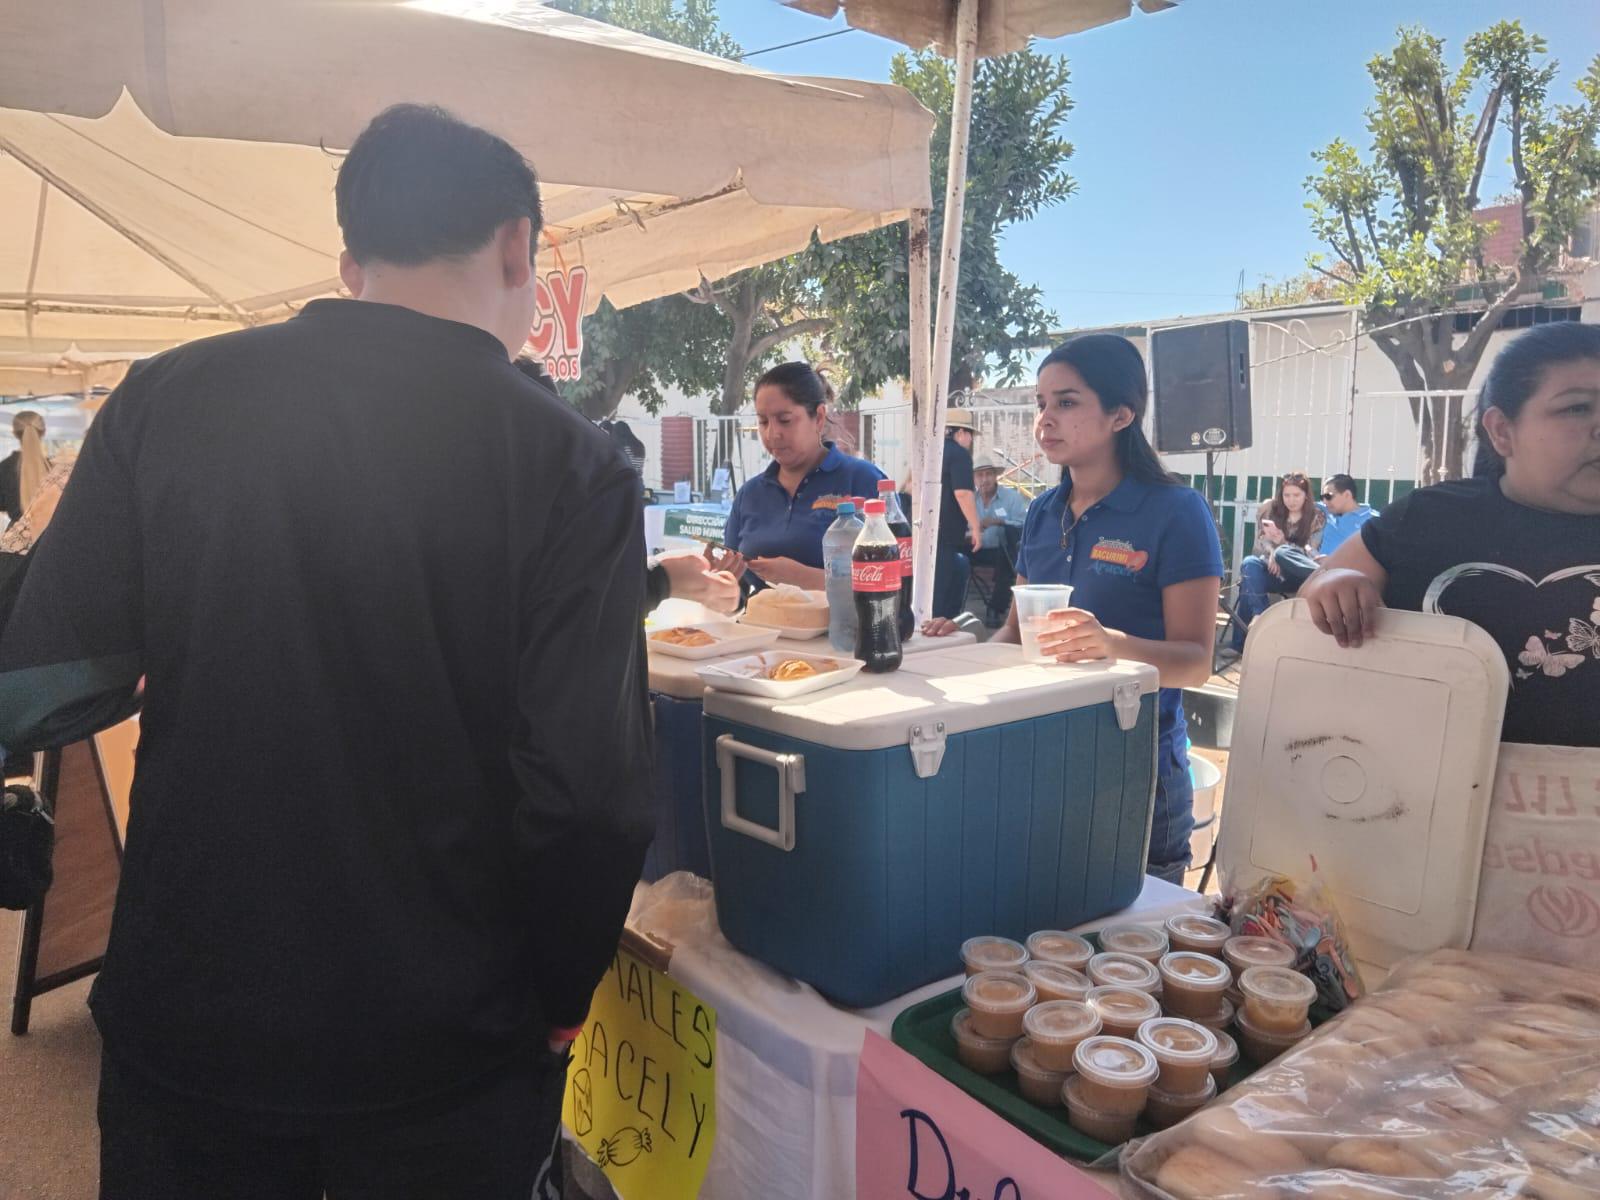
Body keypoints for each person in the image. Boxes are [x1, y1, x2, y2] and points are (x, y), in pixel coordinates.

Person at [0, 103, 655, 1198]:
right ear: (515, 249)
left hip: (191, 1019)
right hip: (444, 1050)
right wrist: (557, 997)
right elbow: (590, 798)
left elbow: (42, 682)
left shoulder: (166, 396)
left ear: (350, 261)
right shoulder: (571, 462)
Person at [923, 335, 1222, 883]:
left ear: (1121, 414)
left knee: (1131, 952)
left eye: (1066, 402)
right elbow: (1015, 636)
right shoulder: (1042, 512)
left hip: (1135, 770)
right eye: (1041, 404)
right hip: (1039, 755)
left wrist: (1113, 646)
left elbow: (1197, 660)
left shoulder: (1176, 512)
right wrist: (957, 652)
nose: (1045, 420)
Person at [1302, 321, 1600, 748]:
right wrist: (1332, 586)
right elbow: (1312, 597)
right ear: (1501, 430)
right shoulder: (1426, 518)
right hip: (1433, 799)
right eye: (1576, 408)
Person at [723, 361, 886, 591]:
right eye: (763, 421)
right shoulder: (750, 494)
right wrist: (717, 581)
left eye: (785, 420)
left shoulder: (863, 480)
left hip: (841, 627)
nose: (772, 434)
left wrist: (802, 578)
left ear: (818, 417)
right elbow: (734, 594)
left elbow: (892, 581)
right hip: (761, 626)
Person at [1230, 471, 1325, 650]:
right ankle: (1260, 616)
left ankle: (1240, 644)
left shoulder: (1316, 517)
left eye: (1296, 495)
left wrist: (1282, 546)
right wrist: (1272, 552)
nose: (1291, 500)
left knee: (1254, 579)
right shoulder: (1272, 510)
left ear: (1306, 496)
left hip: (1299, 576)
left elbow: (1310, 554)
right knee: (1250, 565)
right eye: (1286, 495)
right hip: (1274, 571)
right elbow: (1262, 540)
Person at [933, 408, 985, 619]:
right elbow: (963, 493)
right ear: (961, 432)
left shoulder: (932, 451)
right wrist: (976, 527)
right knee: (942, 591)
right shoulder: (959, 455)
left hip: (924, 531)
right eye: (970, 434)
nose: (971, 440)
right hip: (946, 534)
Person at [970, 453, 1025, 622]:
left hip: (1002, 550)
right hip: (974, 549)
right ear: (974, 479)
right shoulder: (969, 499)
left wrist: (999, 521)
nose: (984, 479)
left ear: (995, 476)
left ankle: (995, 608)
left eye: (988, 474)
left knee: (1007, 548)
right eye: (980, 475)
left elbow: (1023, 525)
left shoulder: (1012, 497)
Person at [0, 411, 48, 523]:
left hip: (17, 537)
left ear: (14, 433)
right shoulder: (55, 468)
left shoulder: (4, 467)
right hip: (50, 536)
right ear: (44, 432)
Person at [1316, 473, 1377, 557]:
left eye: (1328, 496)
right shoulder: (1324, 512)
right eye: (1322, 497)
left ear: (1347, 495)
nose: (1324, 501)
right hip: (1318, 569)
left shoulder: (1373, 521)